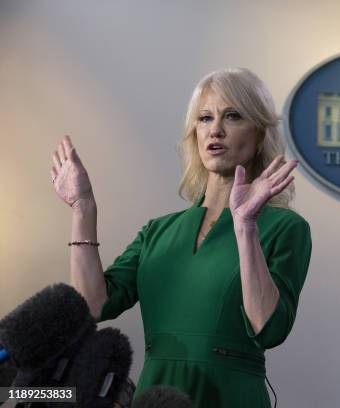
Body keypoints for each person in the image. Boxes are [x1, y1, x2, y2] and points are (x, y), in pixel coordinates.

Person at [50, 67, 312, 407]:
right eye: (205, 118)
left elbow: (270, 328)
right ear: (194, 134)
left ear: (260, 134)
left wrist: (245, 225)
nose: (215, 129)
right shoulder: (158, 232)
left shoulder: (284, 228)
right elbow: (92, 306)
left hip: (230, 396)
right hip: (156, 395)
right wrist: (83, 208)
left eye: (232, 116)